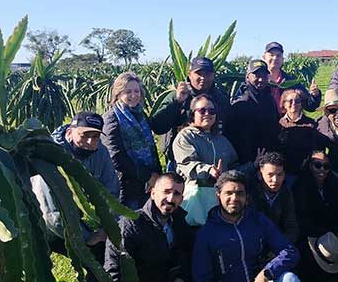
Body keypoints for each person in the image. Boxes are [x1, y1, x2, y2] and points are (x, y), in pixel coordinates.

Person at [31, 111, 119, 282]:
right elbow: (51, 212)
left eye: (96, 137)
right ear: (70, 132)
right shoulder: (51, 156)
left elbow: (111, 192)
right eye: (85, 135)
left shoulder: (101, 153)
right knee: (38, 269)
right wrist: (86, 238)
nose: (90, 142)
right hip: (42, 224)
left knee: (100, 260)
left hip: (85, 222)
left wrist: (106, 227)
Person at [102, 71, 184, 209]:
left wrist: (176, 102)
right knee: (129, 221)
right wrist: (147, 176)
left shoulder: (140, 114)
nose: (133, 95)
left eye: (136, 91)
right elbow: (115, 156)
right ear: (118, 93)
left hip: (147, 182)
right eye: (128, 91)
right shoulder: (111, 118)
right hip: (126, 183)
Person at [172, 94, 238, 226]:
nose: (207, 114)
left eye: (211, 111)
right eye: (202, 110)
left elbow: (233, 166)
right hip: (195, 202)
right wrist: (209, 170)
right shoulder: (185, 136)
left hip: (219, 200)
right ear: (192, 114)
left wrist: (253, 165)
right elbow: (187, 164)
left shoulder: (221, 140)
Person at [293, 148, 338, 276]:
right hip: (313, 239)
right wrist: (332, 233)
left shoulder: (336, 185)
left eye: (326, 166)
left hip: (336, 241)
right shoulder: (300, 189)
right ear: (309, 166)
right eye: (317, 165)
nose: (322, 169)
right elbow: (303, 222)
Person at [158, 57, 232, 166]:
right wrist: (177, 101)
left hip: (214, 161)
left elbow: (229, 128)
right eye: (199, 73)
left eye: (207, 73)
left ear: (213, 75)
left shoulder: (221, 99)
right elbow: (158, 127)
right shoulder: (177, 96)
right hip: (180, 161)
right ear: (189, 74)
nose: (203, 77)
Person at [225, 59, 281, 165]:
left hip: (268, 157)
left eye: (264, 75)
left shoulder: (269, 98)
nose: (261, 79)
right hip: (248, 160)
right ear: (247, 77)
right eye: (256, 75)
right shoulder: (241, 103)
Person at [249, 152, 300, 244]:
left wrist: (280, 246)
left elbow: (291, 227)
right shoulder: (251, 194)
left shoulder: (286, 194)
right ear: (260, 175)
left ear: (284, 175)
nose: (275, 180)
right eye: (270, 175)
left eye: (279, 175)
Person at [277, 88, 327, 179]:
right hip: (285, 173)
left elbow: (317, 149)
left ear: (301, 104)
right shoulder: (278, 124)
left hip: (307, 173)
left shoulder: (311, 124)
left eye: (297, 101)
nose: (294, 104)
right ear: (284, 104)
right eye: (290, 101)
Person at [262, 41, 321, 114]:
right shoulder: (258, 81)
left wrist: (315, 95)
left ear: (282, 59)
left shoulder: (290, 82)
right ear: (264, 57)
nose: (275, 58)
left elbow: (310, 106)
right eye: (271, 55)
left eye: (278, 55)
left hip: (285, 123)